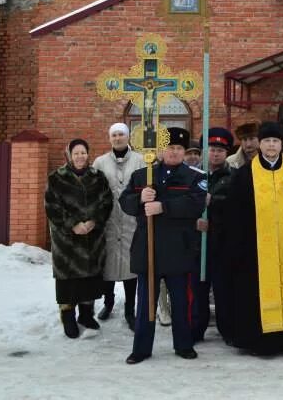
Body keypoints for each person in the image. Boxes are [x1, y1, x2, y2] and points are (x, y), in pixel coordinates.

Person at [217, 122, 283, 355]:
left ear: (281, 144)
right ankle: (255, 340)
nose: (271, 145)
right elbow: (234, 210)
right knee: (254, 293)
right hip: (254, 248)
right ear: (260, 143)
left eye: (275, 141)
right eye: (267, 141)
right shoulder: (245, 173)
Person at [120, 127, 207, 364]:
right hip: (148, 249)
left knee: (181, 303)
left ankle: (184, 345)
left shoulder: (195, 177)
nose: (174, 152)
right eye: (170, 147)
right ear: (160, 150)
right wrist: (140, 198)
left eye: (179, 148)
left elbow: (195, 204)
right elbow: (124, 202)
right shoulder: (142, 175)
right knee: (145, 304)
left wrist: (163, 207)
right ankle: (141, 349)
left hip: (179, 249)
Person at [45, 138, 114, 339]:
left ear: (88, 154)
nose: (80, 156)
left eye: (83, 152)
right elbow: (52, 207)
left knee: (89, 279)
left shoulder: (97, 177)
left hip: (92, 239)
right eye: (76, 153)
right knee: (68, 280)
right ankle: (67, 315)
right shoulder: (57, 178)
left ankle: (86, 314)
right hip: (67, 241)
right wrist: (73, 225)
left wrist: (93, 221)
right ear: (69, 155)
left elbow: (106, 202)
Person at [92, 123, 145, 330]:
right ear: (109, 138)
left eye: (121, 134)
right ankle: (108, 303)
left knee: (131, 268)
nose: (117, 138)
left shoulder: (140, 160)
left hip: (132, 223)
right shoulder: (100, 162)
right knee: (109, 268)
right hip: (109, 222)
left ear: (128, 136)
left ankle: (130, 310)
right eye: (114, 135)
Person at [192, 127, 237, 343]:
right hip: (199, 244)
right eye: (211, 149)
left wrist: (214, 203)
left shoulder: (233, 176)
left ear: (227, 152)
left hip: (222, 242)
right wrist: (196, 220)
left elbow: (237, 206)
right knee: (199, 287)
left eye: (220, 150)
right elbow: (185, 204)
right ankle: (197, 327)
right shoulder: (194, 175)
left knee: (223, 288)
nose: (216, 154)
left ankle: (227, 328)